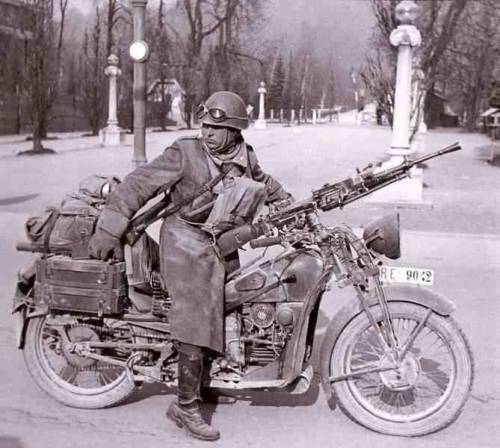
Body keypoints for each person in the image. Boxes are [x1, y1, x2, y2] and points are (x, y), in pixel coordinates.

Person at [88, 91, 292, 441]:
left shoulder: (244, 156)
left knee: (234, 300)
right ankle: (185, 405)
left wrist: (288, 202)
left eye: (217, 127)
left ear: (235, 131)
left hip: (221, 238)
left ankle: (206, 377)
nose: (208, 132)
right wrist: (110, 226)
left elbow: (263, 181)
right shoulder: (185, 153)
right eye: (205, 125)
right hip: (184, 239)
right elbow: (138, 184)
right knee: (198, 309)